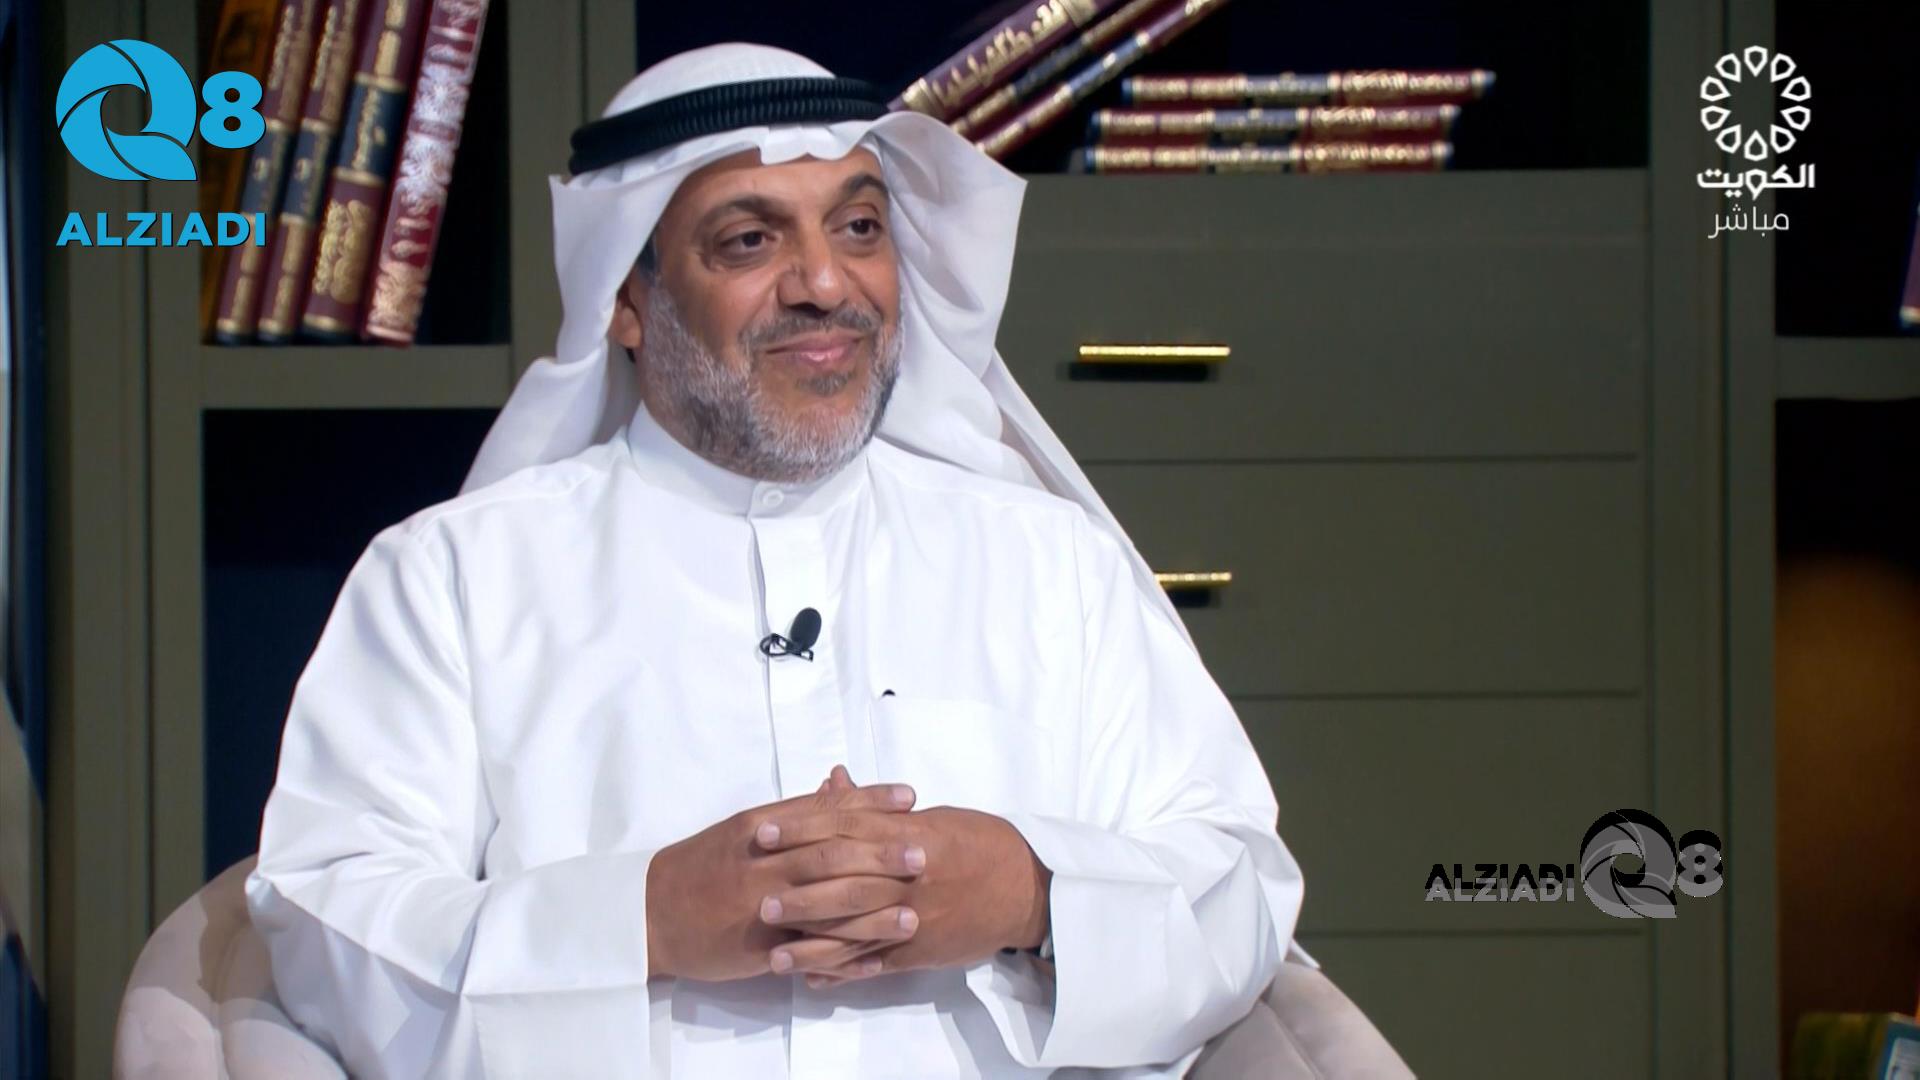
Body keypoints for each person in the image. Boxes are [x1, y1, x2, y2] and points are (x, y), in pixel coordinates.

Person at [246, 42, 1306, 1079]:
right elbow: (327, 922)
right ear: (627, 300)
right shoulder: (453, 579)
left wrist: (1029, 891)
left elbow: (1242, 885)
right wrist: (648, 917)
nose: (824, 283)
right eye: (749, 241)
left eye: (859, 227)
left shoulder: (1049, 566)